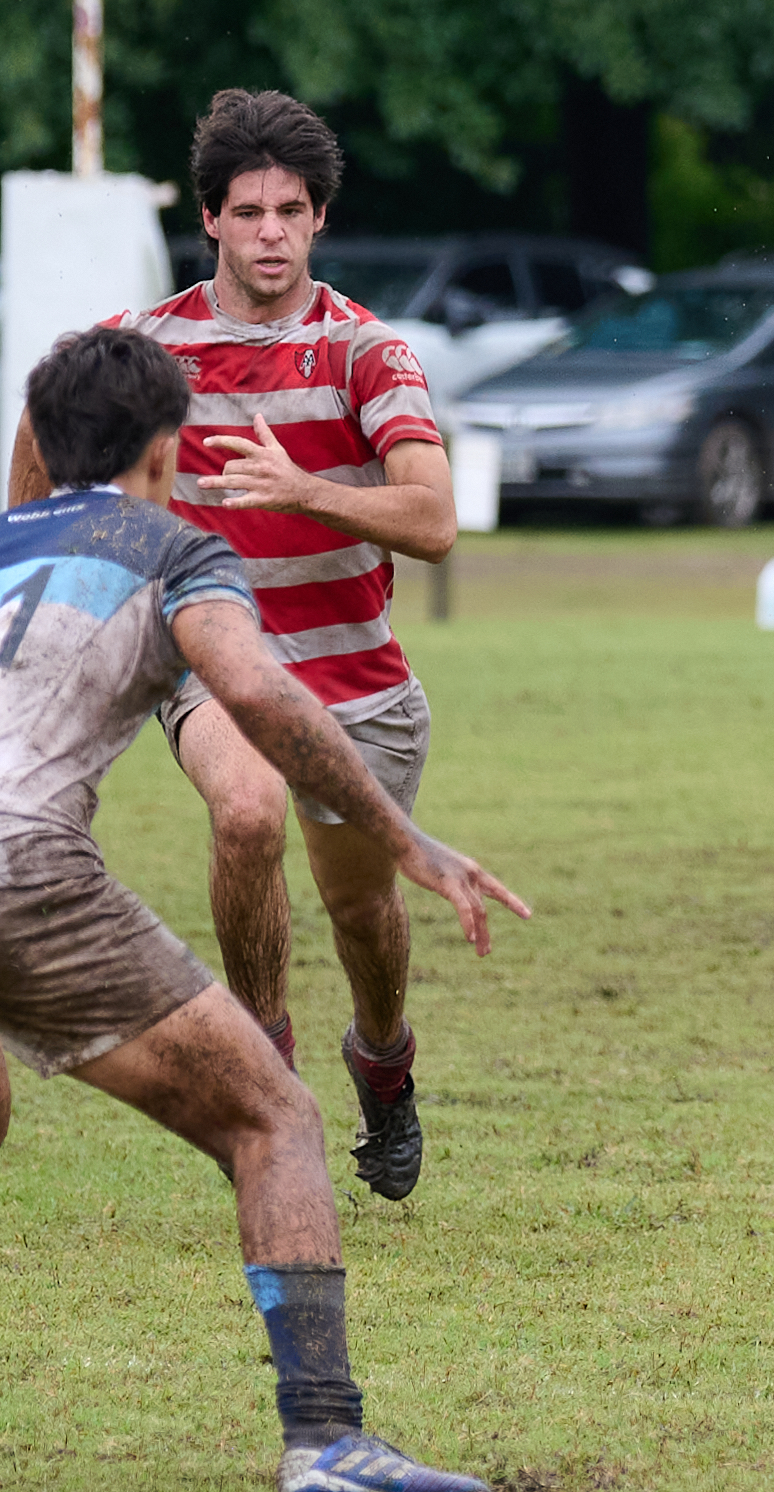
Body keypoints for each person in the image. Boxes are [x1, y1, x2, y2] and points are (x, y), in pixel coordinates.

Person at [3, 326, 528, 1489]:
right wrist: (408, 838)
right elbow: (259, 694)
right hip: (24, 874)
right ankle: (327, 1440)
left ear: (41, 441)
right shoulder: (177, 548)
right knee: (276, 1119)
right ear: (163, 450)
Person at [9, 90, 456, 1201]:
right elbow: (46, 412)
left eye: (291, 211)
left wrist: (305, 490)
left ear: (317, 222)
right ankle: (267, 1068)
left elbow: (435, 520)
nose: (270, 231)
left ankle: (382, 1060)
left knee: (362, 913)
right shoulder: (152, 348)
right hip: (213, 664)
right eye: (248, 210)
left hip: (354, 676)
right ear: (209, 218)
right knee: (245, 808)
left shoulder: (365, 351)